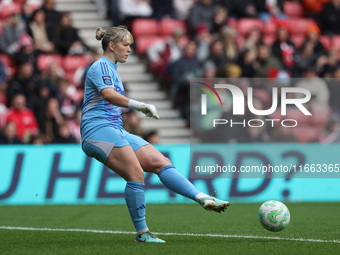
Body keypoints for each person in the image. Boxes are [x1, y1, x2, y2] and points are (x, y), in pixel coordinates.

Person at [80, 26, 230, 243]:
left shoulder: (111, 68)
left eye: (130, 45)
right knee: (136, 174)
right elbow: (108, 95)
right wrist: (140, 106)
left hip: (115, 129)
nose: (129, 49)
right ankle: (142, 233)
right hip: (97, 130)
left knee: (160, 161)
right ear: (111, 46)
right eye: (125, 44)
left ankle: (201, 197)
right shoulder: (101, 66)